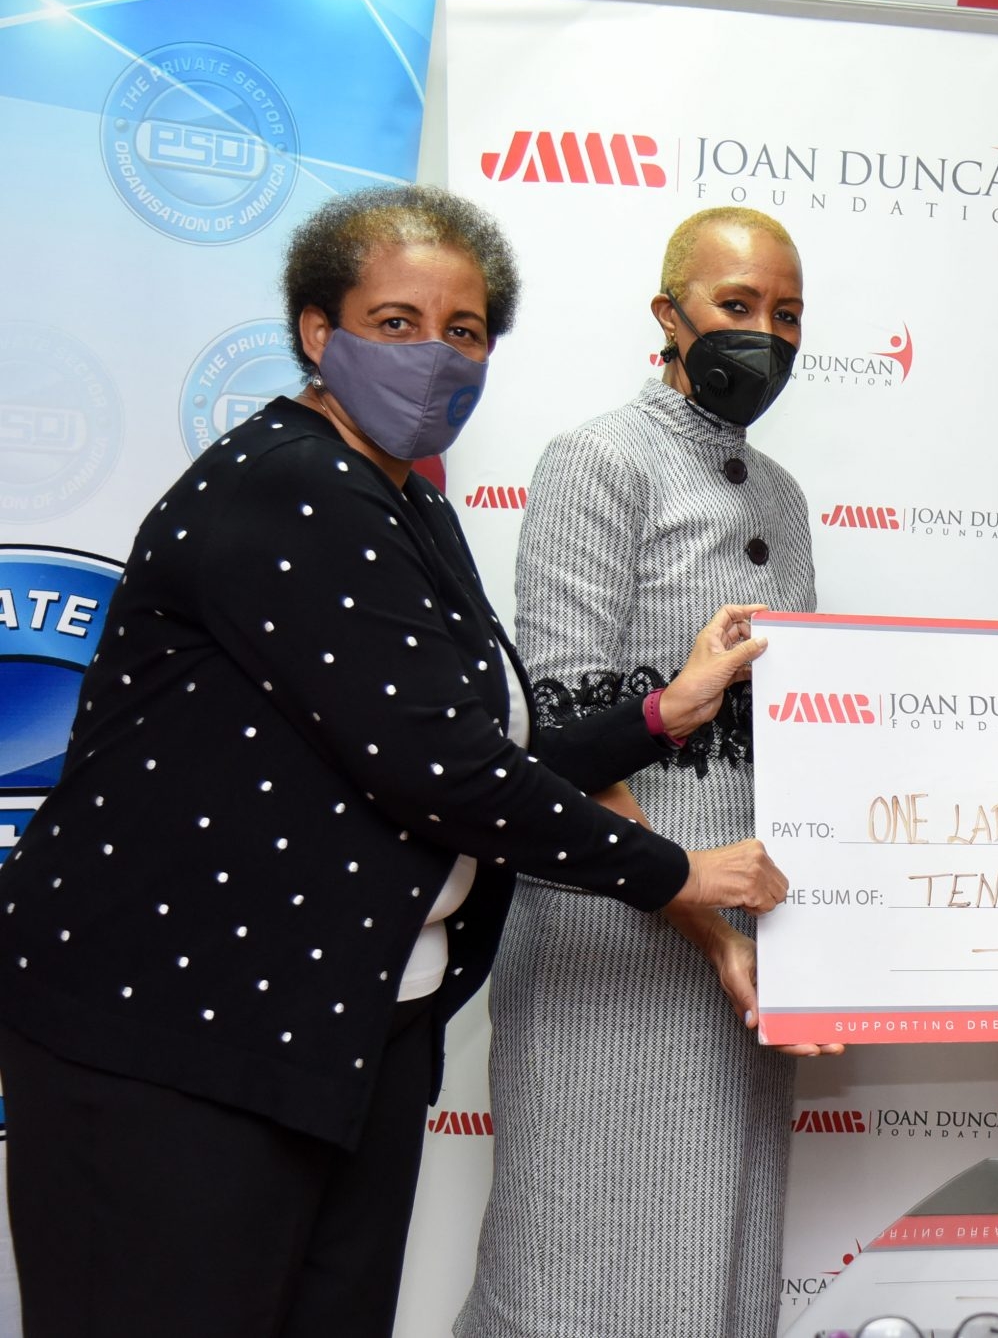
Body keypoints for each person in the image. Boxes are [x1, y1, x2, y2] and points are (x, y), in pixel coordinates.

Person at [0, 186, 787, 1337]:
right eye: (397, 322)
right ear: (319, 332)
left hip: (337, 1031)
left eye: (464, 331)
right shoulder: (285, 486)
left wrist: (663, 712)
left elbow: (482, 748)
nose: (436, 357)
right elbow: (442, 776)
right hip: (177, 1037)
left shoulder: (407, 503)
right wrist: (680, 873)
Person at [459, 207, 830, 1338]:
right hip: (613, 932)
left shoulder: (781, 494)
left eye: (787, 314)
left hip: (745, 938)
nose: (761, 334)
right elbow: (562, 742)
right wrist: (703, 922)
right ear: (668, 317)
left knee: (715, 1266)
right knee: (583, 1267)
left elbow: (800, 733)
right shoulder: (594, 461)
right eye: (735, 306)